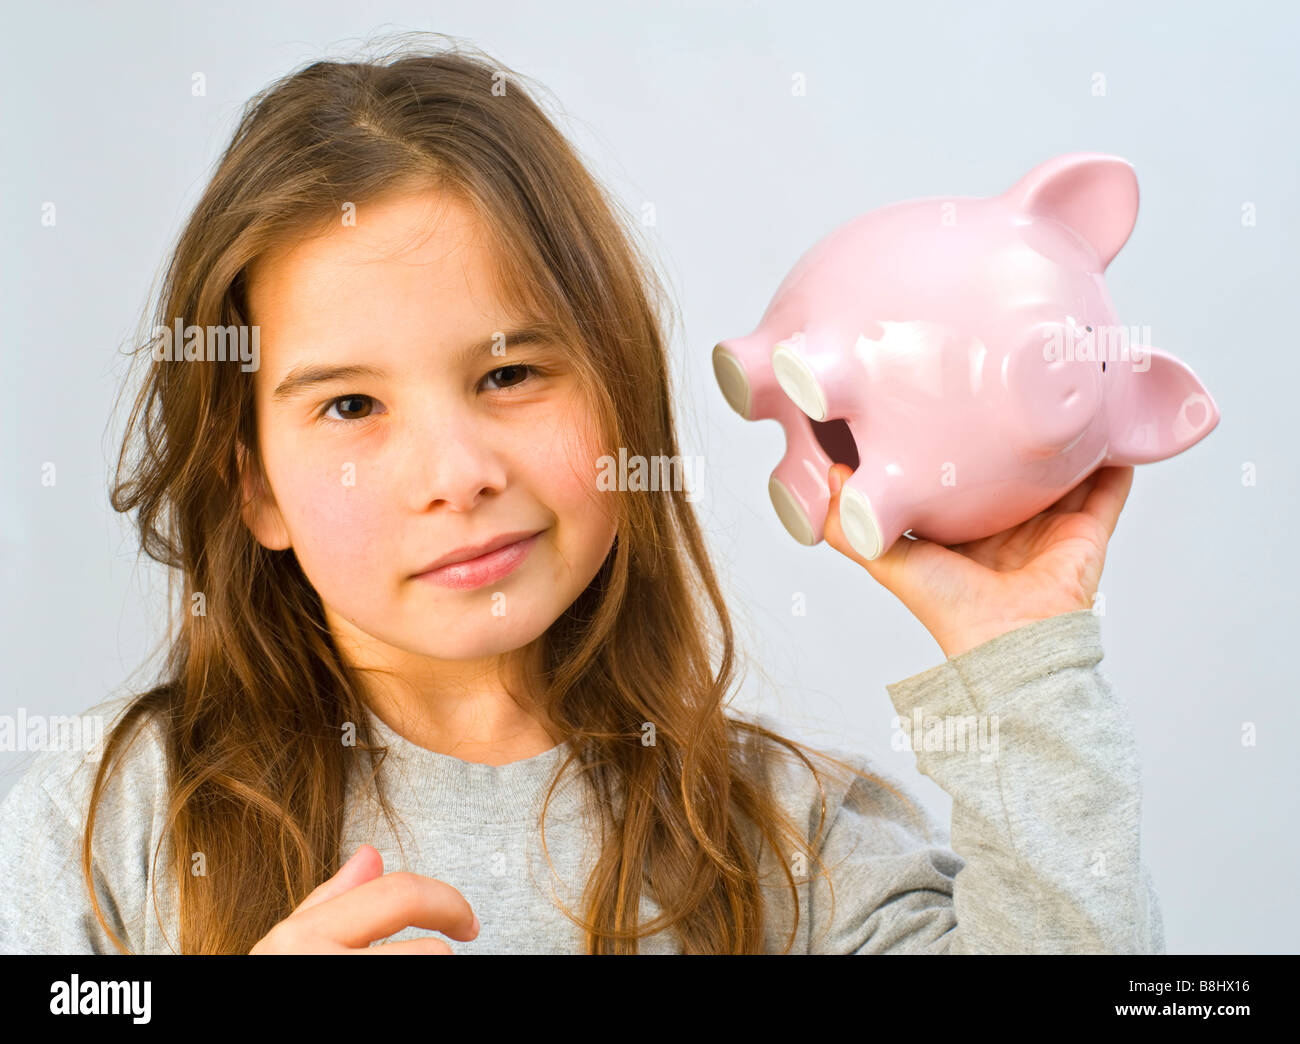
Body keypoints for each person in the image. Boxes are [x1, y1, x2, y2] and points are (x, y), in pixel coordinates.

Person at [0, 34, 1161, 955]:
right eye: (349, 407)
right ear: (254, 487)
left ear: (619, 399)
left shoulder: (790, 845)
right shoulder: (103, 832)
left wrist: (1021, 664)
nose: (458, 475)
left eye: (509, 374)